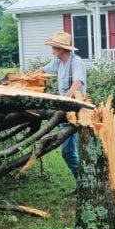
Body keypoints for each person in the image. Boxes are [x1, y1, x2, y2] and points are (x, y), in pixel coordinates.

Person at [36, 30, 88, 179]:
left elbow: (78, 82)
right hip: (65, 109)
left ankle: (83, 183)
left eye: (54, 48)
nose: (52, 51)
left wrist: (66, 99)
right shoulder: (58, 62)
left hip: (77, 110)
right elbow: (43, 70)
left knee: (68, 151)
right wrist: (29, 77)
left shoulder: (76, 61)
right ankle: (82, 182)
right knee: (69, 151)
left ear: (61, 49)